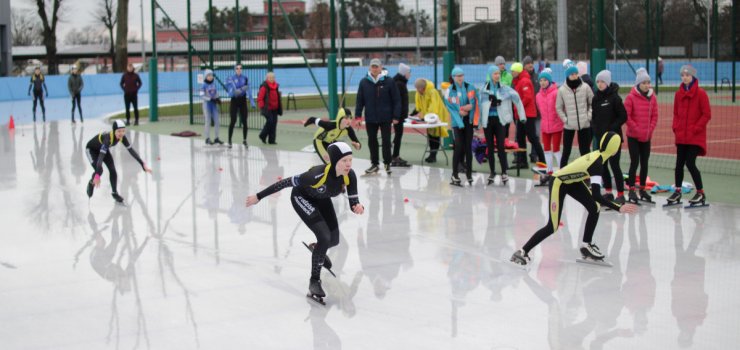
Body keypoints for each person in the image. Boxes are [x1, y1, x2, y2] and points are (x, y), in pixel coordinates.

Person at [246, 142, 365, 302]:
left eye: (350, 159)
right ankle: (314, 282)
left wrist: (357, 206)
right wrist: (258, 196)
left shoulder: (350, 175)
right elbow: (285, 182)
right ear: (335, 161)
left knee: (334, 240)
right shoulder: (316, 174)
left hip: (322, 200)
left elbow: (353, 200)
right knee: (324, 236)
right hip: (302, 198)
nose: (348, 164)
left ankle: (318, 249)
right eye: (344, 161)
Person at [510, 132, 639, 267]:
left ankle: (586, 245)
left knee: (594, 207)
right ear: (614, 150)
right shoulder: (597, 163)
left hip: (572, 181)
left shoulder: (598, 156)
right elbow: (596, 195)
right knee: (552, 226)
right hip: (559, 182)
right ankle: (522, 251)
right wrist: (618, 208)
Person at [667, 65, 711, 206]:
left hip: (694, 137)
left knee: (690, 163)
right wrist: (676, 127)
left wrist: (695, 128)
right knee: (679, 164)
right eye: (683, 75)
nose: (684, 77)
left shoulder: (701, 93)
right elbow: (675, 113)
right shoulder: (678, 94)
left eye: (687, 75)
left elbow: (706, 114)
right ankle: (677, 191)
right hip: (681, 136)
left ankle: (700, 193)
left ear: (692, 77)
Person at [86, 120, 152, 204]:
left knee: (112, 170)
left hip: (102, 149)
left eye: (123, 131)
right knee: (99, 170)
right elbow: (100, 159)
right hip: (91, 150)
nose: (121, 133)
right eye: (119, 131)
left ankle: (114, 193)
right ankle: (91, 182)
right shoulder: (108, 138)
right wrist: (97, 175)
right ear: (114, 131)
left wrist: (142, 164)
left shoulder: (122, 137)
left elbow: (131, 151)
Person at [480, 66, 526, 185]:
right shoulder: (483, 90)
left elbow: (517, 99)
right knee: (489, 147)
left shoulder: (505, 89)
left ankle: (504, 172)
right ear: (490, 75)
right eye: (494, 73)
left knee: (501, 146)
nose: (497, 75)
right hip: (488, 122)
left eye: (498, 73)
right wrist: (489, 102)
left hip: (501, 122)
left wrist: (522, 116)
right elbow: (479, 105)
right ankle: (492, 172)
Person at [355, 58, 401, 175]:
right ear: (370, 68)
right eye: (373, 67)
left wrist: (396, 116)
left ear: (381, 68)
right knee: (372, 141)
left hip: (386, 117)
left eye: (377, 66)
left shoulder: (389, 81)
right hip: (370, 118)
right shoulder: (364, 82)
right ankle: (374, 164)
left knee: (386, 141)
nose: (375, 69)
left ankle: (387, 163)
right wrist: (358, 117)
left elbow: (396, 100)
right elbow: (360, 101)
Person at [591, 70, 627, 204]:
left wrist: (612, 129)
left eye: (602, 82)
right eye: (598, 82)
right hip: (601, 139)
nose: (600, 84)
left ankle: (621, 194)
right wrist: (595, 130)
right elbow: (594, 117)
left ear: (608, 82)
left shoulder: (615, 98)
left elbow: (623, 116)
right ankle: (608, 192)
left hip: (614, 139)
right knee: (603, 166)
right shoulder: (595, 99)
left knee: (615, 165)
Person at [624, 68, 659, 203]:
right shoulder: (631, 97)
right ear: (638, 84)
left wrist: (650, 129)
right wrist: (637, 129)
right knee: (635, 163)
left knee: (645, 163)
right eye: (644, 82)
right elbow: (626, 116)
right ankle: (632, 190)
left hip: (646, 137)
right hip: (633, 137)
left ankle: (643, 190)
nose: (646, 85)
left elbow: (655, 115)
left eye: (648, 82)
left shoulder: (652, 97)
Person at [443, 67, 480, 186]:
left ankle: (469, 174)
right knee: (458, 146)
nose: (460, 78)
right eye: (457, 76)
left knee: (468, 147)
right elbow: (449, 106)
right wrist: (460, 111)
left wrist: (470, 108)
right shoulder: (449, 90)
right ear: (453, 78)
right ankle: (455, 175)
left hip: (468, 121)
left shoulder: (470, 87)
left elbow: (475, 101)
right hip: (457, 123)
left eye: (461, 75)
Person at [557, 62, 594, 168]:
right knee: (566, 151)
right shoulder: (562, 90)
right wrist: (565, 119)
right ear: (567, 75)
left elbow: (592, 103)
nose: (574, 75)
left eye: (576, 73)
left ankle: (587, 173)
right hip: (569, 125)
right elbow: (558, 107)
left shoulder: (585, 87)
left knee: (585, 151)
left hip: (584, 124)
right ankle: (562, 173)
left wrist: (588, 116)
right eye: (572, 74)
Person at [511, 62, 545, 166]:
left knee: (532, 137)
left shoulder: (524, 81)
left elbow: (528, 97)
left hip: (528, 115)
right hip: (522, 114)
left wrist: (518, 106)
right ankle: (523, 161)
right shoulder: (518, 81)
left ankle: (542, 159)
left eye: (513, 71)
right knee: (520, 137)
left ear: (518, 71)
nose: (512, 73)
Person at [411, 78, 450, 163]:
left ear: (423, 88)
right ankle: (431, 154)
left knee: (436, 134)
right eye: (416, 89)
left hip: (437, 115)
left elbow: (434, 107)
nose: (417, 91)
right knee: (430, 134)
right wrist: (412, 114)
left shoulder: (433, 92)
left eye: (419, 89)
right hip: (428, 117)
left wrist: (427, 117)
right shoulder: (419, 93)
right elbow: (419, 105)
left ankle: (433, 155)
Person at [536, 71, 563, 175]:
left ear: (549, 81)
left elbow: (561, 107)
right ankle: (549, 170)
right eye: (541, 80)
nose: (542, 82)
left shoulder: (556, 93)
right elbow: (540, 109)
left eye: (545, 80)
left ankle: (561, 170)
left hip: (556, 125)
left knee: (556, 149)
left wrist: (557, 119)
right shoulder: (538, 96)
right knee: (546, 149)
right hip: (545, 127)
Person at [226, 64, 257, 148]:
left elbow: (249, 90)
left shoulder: (245, 78)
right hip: (234, 101)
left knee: (244, 121)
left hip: (243, 101)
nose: (239, 69)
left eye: (240, 68)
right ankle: (229, 140)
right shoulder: (230, 78)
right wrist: (240, 90)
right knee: (233, 120)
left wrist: (252, 102)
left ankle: (244, 140)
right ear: (234, 69)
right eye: (237, 68)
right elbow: (230, 92)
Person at [391, 63, 412, 167]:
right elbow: (398, 101)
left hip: (399, 115)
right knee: (398, 135)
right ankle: (395, 156)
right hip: (398, 116)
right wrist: (397, 115)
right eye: (409, 73)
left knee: (398, 135)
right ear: (404, 73)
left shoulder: (399, 83)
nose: (410, 75)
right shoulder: (400, 84)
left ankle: (395, 155)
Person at [524, 56, 542, 163]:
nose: (530, 65)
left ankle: (534, 154)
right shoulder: (521, 78)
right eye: (528, 63)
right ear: (524, 66)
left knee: (536, 135)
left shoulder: (538, 77)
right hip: (525, 111)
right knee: (521, 134)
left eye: (531, 62)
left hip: (537, 111)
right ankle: (520, 156)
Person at [258, 72, 283, 145]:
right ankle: (262, 135)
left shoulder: (276, 86)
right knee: (270, 121)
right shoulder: (264, 87)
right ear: (267, 78)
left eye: (273, 77)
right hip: (267, 108)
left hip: (275, 109)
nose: (272, 79)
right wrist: (262, 107)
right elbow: (260, 98)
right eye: (270, 77)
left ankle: (271, 140)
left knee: (274, 123)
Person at [200, 69, 223, 145]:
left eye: (211, 75)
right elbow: (202, 96)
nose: (210, 77)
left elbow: (216, 93)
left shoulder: (214, 84)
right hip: (207, 105)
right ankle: (207, 138)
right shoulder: (203, 85)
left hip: (214, 106)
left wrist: (218, 98)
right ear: (206, 76)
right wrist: (210, 99)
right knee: (208, 122)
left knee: (217, 121)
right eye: (208, 75)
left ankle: (216, 138)